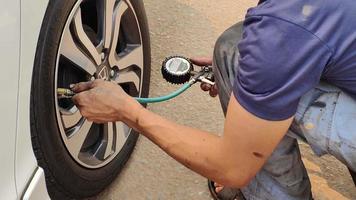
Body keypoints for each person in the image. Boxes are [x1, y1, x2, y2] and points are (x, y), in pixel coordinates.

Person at [71, 0, 356, 199]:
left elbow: (232, 168)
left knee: (237, 56)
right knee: (235, 48)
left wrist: (128, 111)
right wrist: (256, 72)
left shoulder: (280, 30)